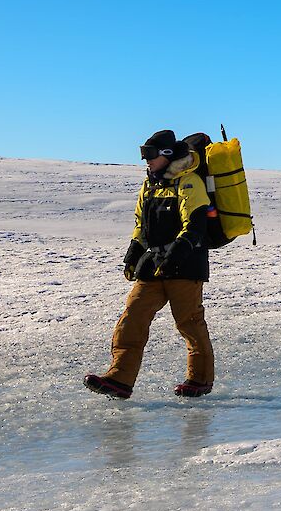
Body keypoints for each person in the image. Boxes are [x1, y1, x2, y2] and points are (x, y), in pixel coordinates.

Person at [85, 129, 221, 400]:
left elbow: (194, 226)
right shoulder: (150, 185)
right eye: (143, 154)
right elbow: (140, 225)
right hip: (153, 265)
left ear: (167, 155)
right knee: (132, 319)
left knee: (189, 324)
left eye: (149, 155)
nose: (145, 160)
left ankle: (200, 379)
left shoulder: (189, 183)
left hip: (185, 266)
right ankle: (119, 378)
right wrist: (133, 254)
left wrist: (176, 254)